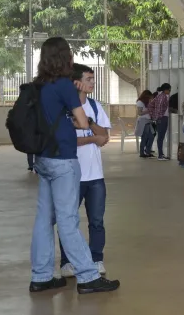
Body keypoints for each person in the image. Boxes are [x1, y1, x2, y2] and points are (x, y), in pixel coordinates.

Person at [28, 37, 120, 295]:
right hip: (63, 160)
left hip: (43, 159)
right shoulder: (64, 87)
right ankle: (88, 276)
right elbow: (81, 123)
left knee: (45, 219)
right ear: (64, 57)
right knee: (68, 219)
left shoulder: (39, 85)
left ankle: (41, 276)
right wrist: (77, 113)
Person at [59, 64, 112, 278]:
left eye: (93, 79)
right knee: (69, 220)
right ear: (76, 82)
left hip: (95, 176)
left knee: (97, 221)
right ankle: (66, 262)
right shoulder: (64, 108)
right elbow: (67, 141)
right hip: (72, 175)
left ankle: (96, 258)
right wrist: (91, 137)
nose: (92, 83)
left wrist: (88, 123)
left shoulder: (94, 106)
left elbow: (105, 136)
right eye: (88, 79)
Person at [149, 83, 171, 161]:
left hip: (159, 118)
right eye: (169, 90)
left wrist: (153, 114)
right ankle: (160, 155)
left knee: (160, 137)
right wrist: (159, 114)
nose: (169, 91)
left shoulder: (159, 96)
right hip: (162, 118)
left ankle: (161, 154)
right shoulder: (163, 97)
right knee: (161, 137)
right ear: (166, 90)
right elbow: (159, 107)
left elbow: (151, 104)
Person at [136, 90, 155, 158]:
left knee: (151, 136)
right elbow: (140, 113)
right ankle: (142, 153)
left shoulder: (145, 103)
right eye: (149, 97)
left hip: (147, 121)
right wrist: (148, 110)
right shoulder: (140, 102)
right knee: (144, 137)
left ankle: (147, 151)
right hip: (143, 121)